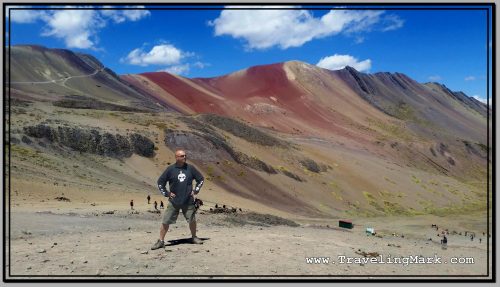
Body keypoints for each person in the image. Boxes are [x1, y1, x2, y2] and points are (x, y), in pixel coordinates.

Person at [151, 148, 205, 250]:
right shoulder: (170, 170)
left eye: (185, 155)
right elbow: (160, 182)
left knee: (192, 220)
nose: (184, 157)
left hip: (188, 200)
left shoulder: (190, 168)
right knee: (166, 220)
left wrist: (196, 190)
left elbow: (200, 179)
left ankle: (194, 237)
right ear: (176, 157)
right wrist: (167, 193)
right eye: (182, 156)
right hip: (174, 201)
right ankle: (161, 241)